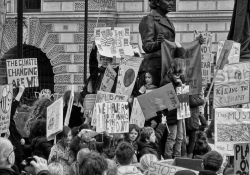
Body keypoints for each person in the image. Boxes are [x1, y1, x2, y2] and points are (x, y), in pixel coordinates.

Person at [138, 0, 175, 83]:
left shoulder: (169, 21)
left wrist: (196, 43)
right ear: (158, 2)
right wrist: (158, 44)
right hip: (154, 70)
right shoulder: (148, 19)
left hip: (166, 67)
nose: (172, 3)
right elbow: (146, 45)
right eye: (168, 0)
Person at [7, 85, 25, 171]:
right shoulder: (7, 121)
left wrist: (21, 138)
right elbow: (12, 109)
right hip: (14, 153)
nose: (16, 112)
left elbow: (16, 131)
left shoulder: (12, 123)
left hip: (17, 153)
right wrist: (20, 93)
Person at [186, 94, 206, 158]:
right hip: (192, 123)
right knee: (191, 142)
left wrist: (200, 114)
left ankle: (189, 156)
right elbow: (192, 102)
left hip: (193, 123)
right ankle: (189, 156)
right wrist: (203, 101)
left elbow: (205, 124)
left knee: (192, 142)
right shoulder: (193, 94)